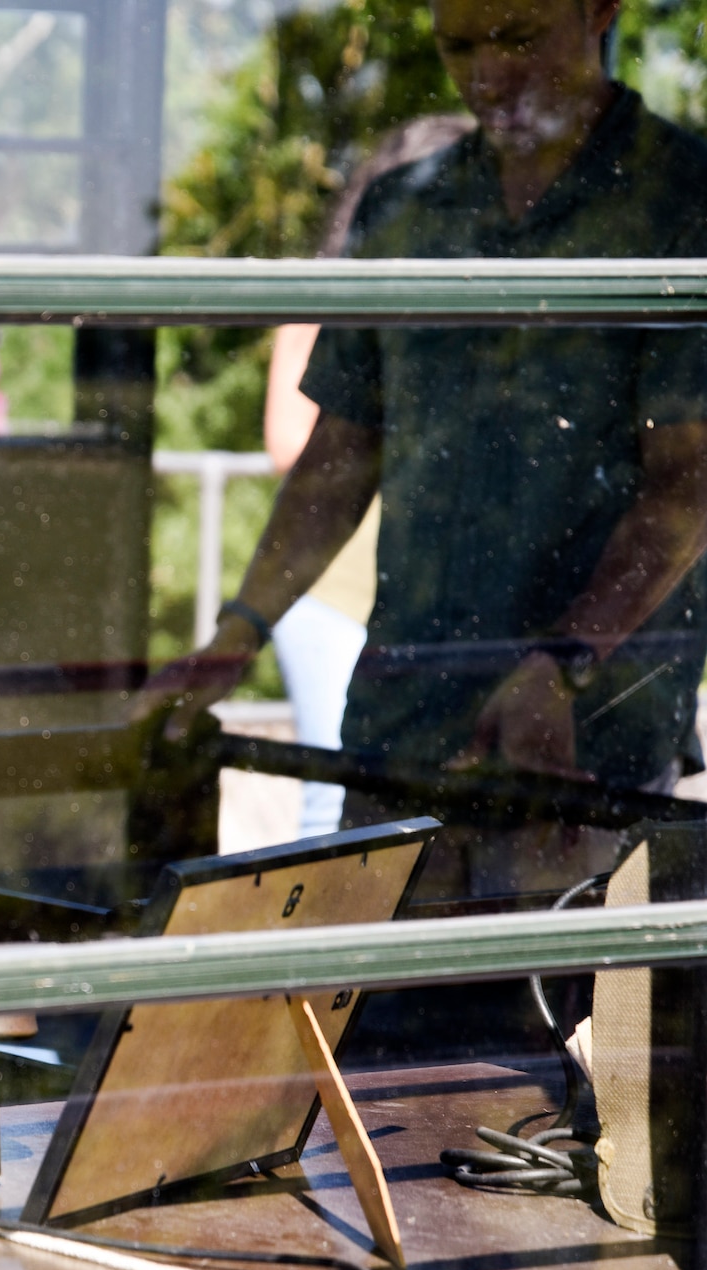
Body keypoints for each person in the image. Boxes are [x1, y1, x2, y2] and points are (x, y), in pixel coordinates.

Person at [139, 0, 707, 903]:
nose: (488, 72)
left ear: (600, 12)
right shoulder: (407, 207)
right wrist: (236, 634)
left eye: (519, 37)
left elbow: (688, 488)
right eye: (460, 45)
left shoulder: (680, 198)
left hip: (579, 751)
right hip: (402, 727)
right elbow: (337, 456)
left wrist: (564, 664)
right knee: (373, 1021)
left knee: (550, 1028)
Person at [265, 115, 472, 839]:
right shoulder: (335, 295)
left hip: (434, 604)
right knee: (337, 805)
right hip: (334, 595)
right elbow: (291, 438)